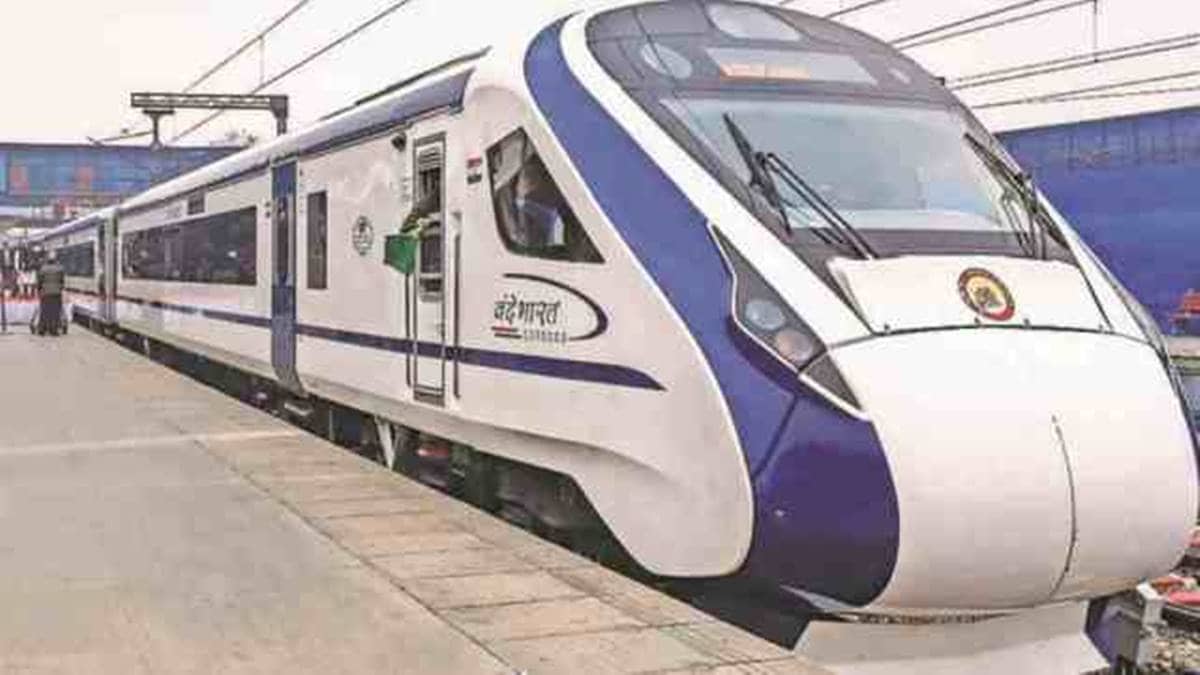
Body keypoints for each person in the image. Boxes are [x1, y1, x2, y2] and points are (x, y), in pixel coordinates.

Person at [36, 250, 65, 336]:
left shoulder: (43, 269)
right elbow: (62, 281)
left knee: (45, 311)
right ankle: (54, 330)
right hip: (56, 293)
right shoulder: (60, 268)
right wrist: (60, 288)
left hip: (45, 292)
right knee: (55, 312)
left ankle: (42, 329)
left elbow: (39, 281)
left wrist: (39, 289)